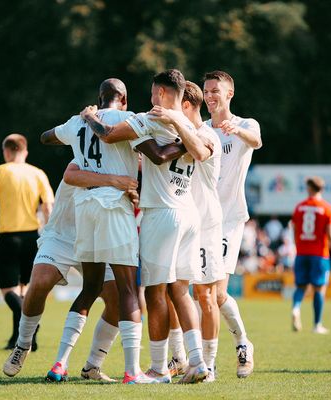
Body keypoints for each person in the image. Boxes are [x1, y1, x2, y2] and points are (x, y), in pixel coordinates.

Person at [81, 69, 209, 384]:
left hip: (162, 213)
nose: (150, 99)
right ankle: (198, 363)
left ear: (163, 93)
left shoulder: (148, 119)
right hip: (189, 213)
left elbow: (109, 134)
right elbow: (201, 153)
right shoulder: (197, 127)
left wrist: (89, 118)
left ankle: (158, 367)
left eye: (154, 93)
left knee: (154, 292)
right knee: (181, 290)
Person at [38, 78, 159, 384]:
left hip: (85, 209)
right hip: (113, 209)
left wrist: (79, 121)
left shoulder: (77, 121)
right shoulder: (128, 120)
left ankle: (60, 364)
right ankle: (132, 371)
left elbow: (46, 137)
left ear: (100, 98)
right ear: (125, 99)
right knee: (128, 290)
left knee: (89, 289)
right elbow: (155, 152)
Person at [2, 159, 137, 382]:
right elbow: (71, 174)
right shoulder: (84, 155)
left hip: (98, 238)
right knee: (40, 282)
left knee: (117, 300)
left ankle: (92, 366)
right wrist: (115, 181)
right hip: (62, 236)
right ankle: (23, 344)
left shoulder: (126, 163)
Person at [148, 80, 223, 382]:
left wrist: (173, 120)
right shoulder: (179, 131)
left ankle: (207, 362)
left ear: (185, 106)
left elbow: (199, 152)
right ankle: (188, 360)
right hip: (187, 217)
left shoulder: (206, 135)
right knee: (177, 292)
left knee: (206, 296)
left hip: (203, 223)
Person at [203, 70, 262, 378]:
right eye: (206, 91)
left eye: (216, 90)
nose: (210, 95)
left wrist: (235, 132)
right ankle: (191, 358)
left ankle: (231, 351)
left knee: (215, 291)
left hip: (229, 221)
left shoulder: (245, 124)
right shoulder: (199, 129)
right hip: (201, 221)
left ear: (229, 94)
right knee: (206, 294)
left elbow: (257, 140)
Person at [0, 134, 54, 349]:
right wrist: (48, 232)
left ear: (6, 151)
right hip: (32, 237)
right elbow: (48, 207)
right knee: (25, 290)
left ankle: (27, 320)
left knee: (6, 288)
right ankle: (21, 340)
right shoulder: (37, 173)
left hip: (8, 238)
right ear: (25, 151)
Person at [290, 176, 331, 334]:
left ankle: (296, 308)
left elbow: (294, 228)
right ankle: (317, 325)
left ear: (309, 188)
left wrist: (297, 244)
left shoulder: (299, 207)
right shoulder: (327, 208)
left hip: (302, 252)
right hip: (319, 254)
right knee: (319, 289)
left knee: (301, 286)